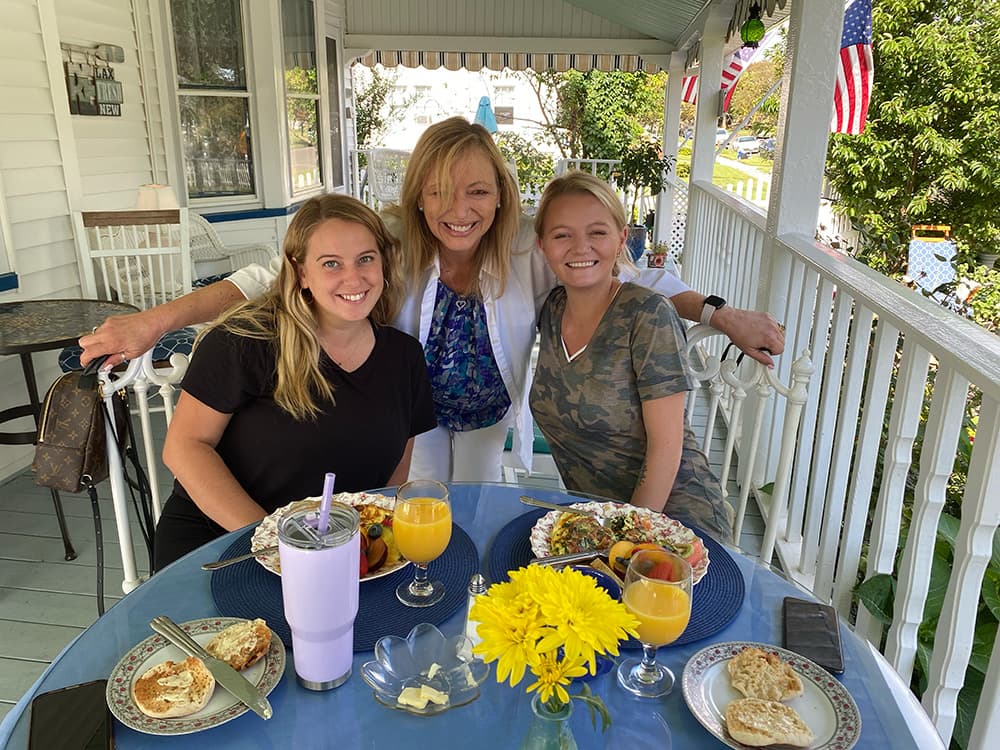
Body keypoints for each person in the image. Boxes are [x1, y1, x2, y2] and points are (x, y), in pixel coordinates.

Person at [80, 118, 784, 483]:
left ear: (502, 196)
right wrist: (153, 321)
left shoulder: (523, 249)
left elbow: (629, 275)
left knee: (467, 515)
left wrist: (723, 313)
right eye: (441, 190)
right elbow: (267, 276)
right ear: (417, 192)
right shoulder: (387, 242)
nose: (459, 208)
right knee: (415, 514)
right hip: (401, 419)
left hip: (483, 418)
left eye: (478, 190)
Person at [154, 195, 436, 568]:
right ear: (301, 271)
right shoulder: (243, 342)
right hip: (220, 540)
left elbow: (393, 474)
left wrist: (374, 544)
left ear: (384, 262)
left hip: (338, 549)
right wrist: (273, 541)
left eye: (365, 259)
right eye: (331, 264)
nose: (353, 277)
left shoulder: (405, 357)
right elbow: (183, 448)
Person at [529, 172, 730, 541]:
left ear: (621, 238)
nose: (580, 247)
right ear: (542, 245)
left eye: (597, 233)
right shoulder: (551, 310)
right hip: (594, 521)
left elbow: (666, 450)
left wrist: (626, 543)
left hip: (670, 518)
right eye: (562, 235)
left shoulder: (647, 315)